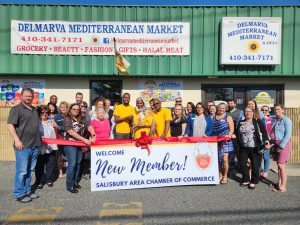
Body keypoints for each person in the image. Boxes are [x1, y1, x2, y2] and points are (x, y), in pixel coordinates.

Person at [7, 87, 41, 203]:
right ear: (21, 96)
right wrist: (17, 140)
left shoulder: (34, 109)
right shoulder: (16, 109)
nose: (28, 98)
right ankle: (18, 193)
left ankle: (27, 190)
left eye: (30, 96)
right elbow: (10, 125)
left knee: (30, 170)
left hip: (35, 146)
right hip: (23, 146)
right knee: (21, 171)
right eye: (26, 96)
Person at [63, 103, 96, 193]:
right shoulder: (67, 119)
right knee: (72, 163)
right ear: (70, 110)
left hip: (80, 144)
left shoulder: (83, 118)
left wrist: (93, 135)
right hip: (70, 143)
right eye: (74, 109)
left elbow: (89, 127)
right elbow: (71, 132)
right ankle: (70, 185)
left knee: (78, 163)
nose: (76, 111)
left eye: (78, 109)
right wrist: (85, 140)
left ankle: (75, 182)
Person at [236, 107, 270, 189]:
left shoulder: (258, 121)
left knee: (255, 165)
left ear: (253, 113)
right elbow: (237, 133)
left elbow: (264, 133)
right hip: (243, 147)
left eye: (249, 111)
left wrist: (266, 142)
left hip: (255, 147)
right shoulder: (241, 122)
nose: (248, 113)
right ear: (244, 113)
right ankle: (246, 179)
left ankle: (254, 181)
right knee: (242, 163)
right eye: (246, 111)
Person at [270, 104, 292, 192]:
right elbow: (271, 133)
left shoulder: (286, 120)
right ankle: (279, 183)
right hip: (275, 144)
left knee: (281, 165)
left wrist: (281, 146)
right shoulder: (274, 120)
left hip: (283, 144)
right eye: (275, 109)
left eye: (278, 109)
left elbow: (288, 134)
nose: (276, 111)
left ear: (282, 110)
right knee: (278, 166)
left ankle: (283, 186)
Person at [35, 105, 58, 189]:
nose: (45, 114)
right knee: (39, 166)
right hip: (40, 148)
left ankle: (49, 180)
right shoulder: (36, 122)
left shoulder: (52, 121)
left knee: (50, 165)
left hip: (51, 147)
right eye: (42, 112)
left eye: (47, 112)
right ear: (39, 113)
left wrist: (56, 127)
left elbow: (57, 132)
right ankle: (39, 181)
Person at [212, 103, 234, 184]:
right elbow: (212, 130)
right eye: (220, 108)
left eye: (223, 108)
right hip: (216, 141)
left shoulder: (228, 117)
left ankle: (225, 176)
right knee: (218, 160)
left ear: (226, 109)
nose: (221, 109)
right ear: (217, 108)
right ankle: (220, 174)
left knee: (224, 159)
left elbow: (231, 130)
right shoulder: (214, 117)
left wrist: (226, 138)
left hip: (226, 141)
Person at [53, 101, 69, 178]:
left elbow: (69, 128)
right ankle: (60, 171)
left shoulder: (69, 116)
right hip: (59, 138)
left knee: (68, 156)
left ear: (67, 108)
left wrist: (60, 128)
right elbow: (54, 126)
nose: (63, 108)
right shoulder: (56, 116)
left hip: (68, 139)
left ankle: (68, 171)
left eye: (64, 107)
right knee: (60, 156)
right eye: (62, 107)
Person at [260, 105, 273, 178]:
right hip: (259, 140)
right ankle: (260, 170)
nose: (264, 111)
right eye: (263, 110)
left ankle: (265, 171)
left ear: (268, 111)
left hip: (267, 140)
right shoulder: (259, 119)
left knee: (266, 157)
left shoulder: (271, 120)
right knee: (259, 156)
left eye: (266, 110)